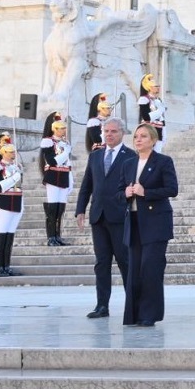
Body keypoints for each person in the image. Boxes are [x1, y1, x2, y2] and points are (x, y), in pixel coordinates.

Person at [119, 123, 178, 326]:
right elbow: (119, 192)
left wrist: (147, 193)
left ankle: (149, 315)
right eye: (136, 136)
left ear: (153, 140)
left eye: (143, 136)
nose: (138, 139)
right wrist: (125, 194)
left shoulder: (163, 161)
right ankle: (133, 315)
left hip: (155, 223)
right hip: (134, 222)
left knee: (150, 269)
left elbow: (172, 189)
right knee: (134, 270)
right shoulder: (128, 164)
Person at [74, 117, 133, 318]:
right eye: (106, 131)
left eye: (113, 131)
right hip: (98, 216)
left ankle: (132, 304)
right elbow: (86, 186)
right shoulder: (95, 156)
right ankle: (102, 305)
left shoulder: (130, 156)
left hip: (120, 216)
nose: (109, 134)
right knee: (101, 263)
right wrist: (80, 209)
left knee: (125, 261)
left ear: (122, 133)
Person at [0, 134, 24, 277]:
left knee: (9, 236)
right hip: (3, 203)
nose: (13, 154)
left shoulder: (15, 166)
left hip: (16, 202)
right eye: (10, 152)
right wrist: (15, 177)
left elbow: (19, 187)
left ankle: (6, 266)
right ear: (3, 152)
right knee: (1, 235)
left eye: (13, 151)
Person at [39, 112, 74, 247]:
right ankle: (51, 236)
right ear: (55, 129)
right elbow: (52, 161)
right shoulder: (48, 142)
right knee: (53, 208)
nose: (64, 130)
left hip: (64, 175)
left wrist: (70, 179)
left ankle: (58, 235)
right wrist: (66, 152)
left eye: (64, 128)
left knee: (61, 208)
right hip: (53, 176)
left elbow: (68, 163)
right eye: (62, 128)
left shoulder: (65, 142)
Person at [138, 74, 166, 150]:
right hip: (149, 130)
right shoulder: (144, 99)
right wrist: (160, 110)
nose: (158, 88)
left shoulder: (158, 100)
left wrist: (164, 130)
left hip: (159, 130)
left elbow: (161, 118)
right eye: (155, 86)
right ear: (150, 88)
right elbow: (146, 117)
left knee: (158, 152)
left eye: (158, 86)